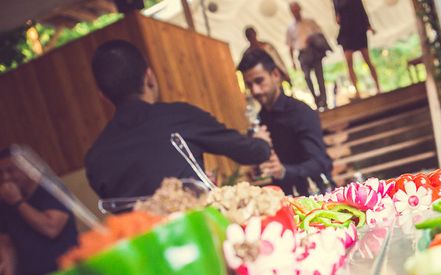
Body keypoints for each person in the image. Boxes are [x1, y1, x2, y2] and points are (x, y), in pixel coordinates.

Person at [85, 40, 272, 199]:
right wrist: (262, 143)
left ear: (103, 96)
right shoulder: (180, 117)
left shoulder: (95, 160)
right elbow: (249, 152)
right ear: (149, 77)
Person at [0, 147, 78, 275]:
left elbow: (51, 228)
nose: (6, 177)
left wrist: (18, 202)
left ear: (27, 168)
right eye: (0, 173)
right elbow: (6, 244)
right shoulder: (3, 203)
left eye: (11, 170)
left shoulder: (52, 189)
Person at [238, 49, 334, 196]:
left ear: (275, 75)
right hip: (284, 199)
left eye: (259, 81)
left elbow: (320, 163)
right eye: (249, 85)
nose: (255, 91)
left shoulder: (301, 112)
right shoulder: (259, 119)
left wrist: (283, 171)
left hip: (317, 198)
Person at [286, 2, 331, 110]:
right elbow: (290, 46)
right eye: (294, 11)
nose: (296, 12)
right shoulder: (290, 28)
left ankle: (324, 101)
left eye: (297, 10)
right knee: (307, 77)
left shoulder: (310, 22)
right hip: (302, 54)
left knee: (320, 77)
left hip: (314, 51)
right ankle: (316, 100)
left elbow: (320, 34)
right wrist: (292, 61)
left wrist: (313, 38)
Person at [333, 0, 381, 98]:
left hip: (358, 29)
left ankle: (378, 87)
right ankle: (357, 91)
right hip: (346, 32)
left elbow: (362, 10)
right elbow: (337, 17)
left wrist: (368, 25)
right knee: (349, 62)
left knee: (367, 59)